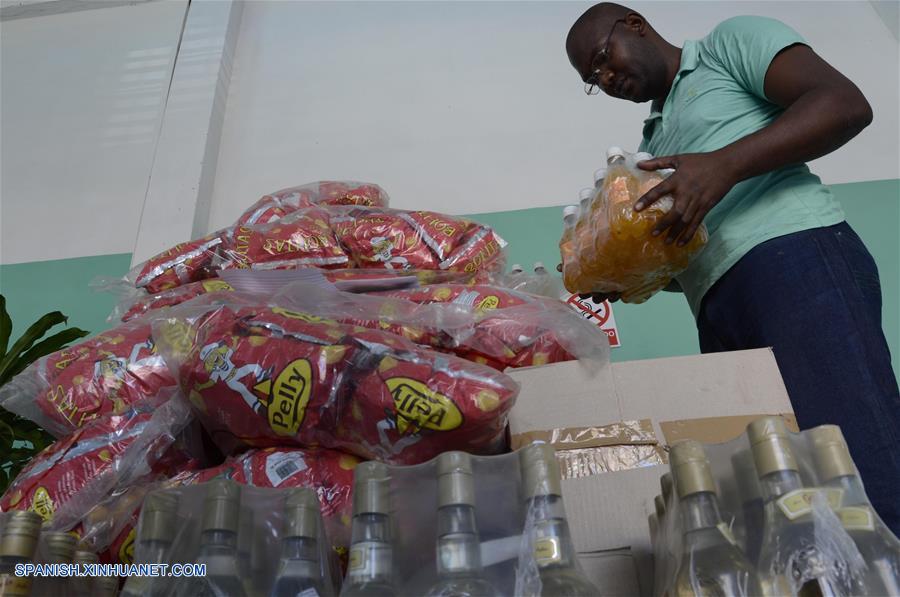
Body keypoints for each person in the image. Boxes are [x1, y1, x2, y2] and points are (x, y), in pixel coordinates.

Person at [565, 3, 900, 534]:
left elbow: (845, 104)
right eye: (593, 79)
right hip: (719, 306)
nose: (606, 78)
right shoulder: (652, 148)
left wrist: (722, 164)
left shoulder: (728, 44)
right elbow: (692, 250)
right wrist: (634, 275)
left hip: (794, 259)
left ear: (633, 23)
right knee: (784, 488)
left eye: (604, 59)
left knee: (857, 457)